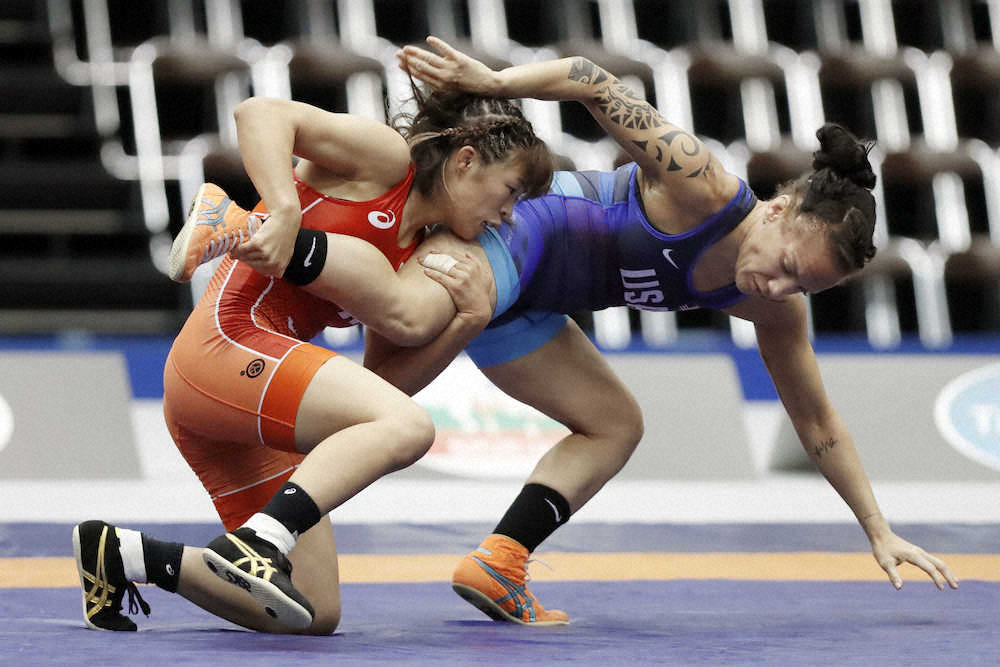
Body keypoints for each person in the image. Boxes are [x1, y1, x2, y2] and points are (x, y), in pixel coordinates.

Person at [177, 36, 960, 628]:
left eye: (803, 287)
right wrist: (493, 83)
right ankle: (244, 225)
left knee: (612, 422)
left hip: (530, 308)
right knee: (407, 328)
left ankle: (502, 559)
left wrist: (878, 528)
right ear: (780, 210)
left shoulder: (773, 308)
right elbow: (591, 78)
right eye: (786, 264)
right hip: (514, 235)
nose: (778, 287)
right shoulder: (705, 183)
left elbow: (818, 423)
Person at [71, 88, 551, 634]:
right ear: (465, 161)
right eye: (511, 192)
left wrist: (467, 321)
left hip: (249, 394)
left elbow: (381, 388)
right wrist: (283, 207)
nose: (508, 216)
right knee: (412, 427)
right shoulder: (386, 161)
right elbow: (259, 112)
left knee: (313, 612)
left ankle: (125, 555)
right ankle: (259, 539)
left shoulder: (418, 252)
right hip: (225, 346)